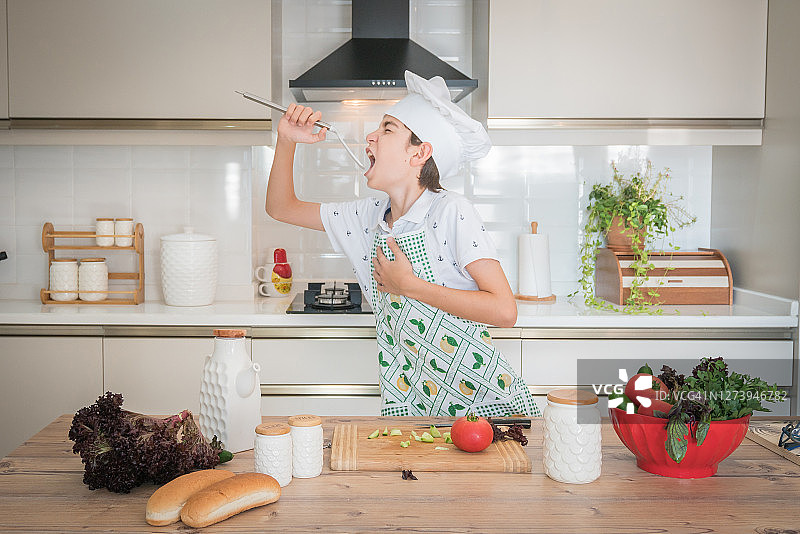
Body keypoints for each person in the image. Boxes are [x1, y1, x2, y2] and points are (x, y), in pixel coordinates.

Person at [266, 70, 540, 418]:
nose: (371, 136)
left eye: (387, 129)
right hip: (413, 410)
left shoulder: (451, 210)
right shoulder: (368, 217)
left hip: (483, 409)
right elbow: (281, 207)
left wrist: (408, 285)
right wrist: (287, 139)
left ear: (420, 153)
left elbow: (504, 311)